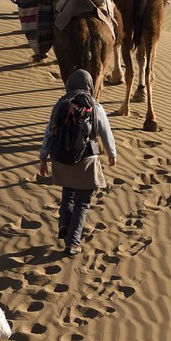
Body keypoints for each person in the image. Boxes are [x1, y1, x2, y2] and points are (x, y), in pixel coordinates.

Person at [38, 69, 118, 256]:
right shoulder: (95, 106)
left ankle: (65, 225)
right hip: (86, 159)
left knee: (68, 193)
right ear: (89, 85)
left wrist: (43, 157)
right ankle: (73, 243)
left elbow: (49, 133)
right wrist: (112, 152)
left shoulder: (60, 105)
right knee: (82, 202)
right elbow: (105, 132)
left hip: (61, 159)